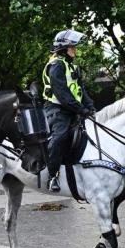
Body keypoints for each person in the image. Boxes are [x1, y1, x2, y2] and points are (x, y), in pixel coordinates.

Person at [42, 29, 95, 192]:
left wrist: (91, 108)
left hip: (72, 110)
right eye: (73, 47)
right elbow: (62, 94)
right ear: (64, 49)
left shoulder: (71, 66)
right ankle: (52, 176)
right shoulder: (56, 65)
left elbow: (80, 90)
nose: (75, 50)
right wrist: (81, 110)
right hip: (57, 110)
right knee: (61, 136)